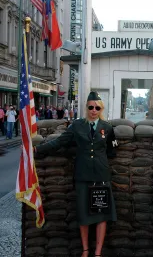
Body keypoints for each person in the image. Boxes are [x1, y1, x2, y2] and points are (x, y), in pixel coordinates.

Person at [34, 91, 118, 257]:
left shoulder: (107, 128)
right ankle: (85, 250)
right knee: (83, 212)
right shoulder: (77, 125)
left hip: (101, 176)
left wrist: (100, 161)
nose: (94, 110)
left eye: (97, 107)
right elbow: (60, 142)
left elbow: (113, 149)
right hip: (83, 175)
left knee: (102, 214)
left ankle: (98, 252)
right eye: (91, 107)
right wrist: (38, 149)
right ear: (86, 108)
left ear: (101, 109)